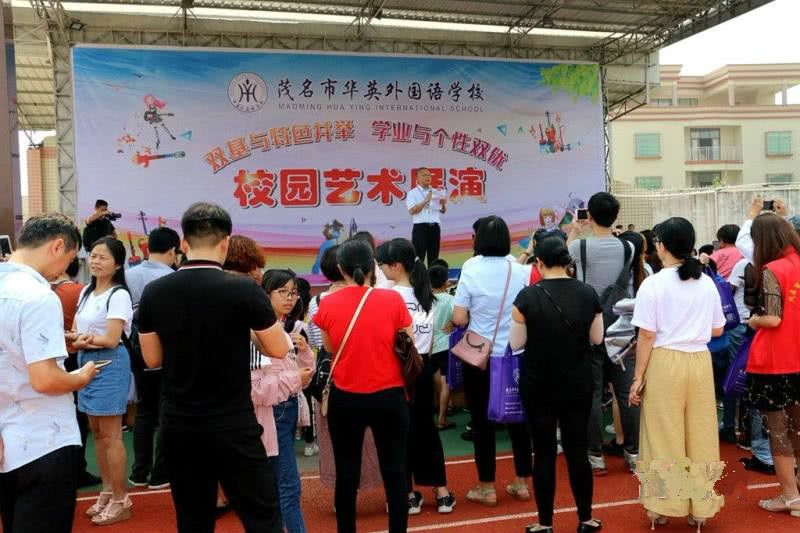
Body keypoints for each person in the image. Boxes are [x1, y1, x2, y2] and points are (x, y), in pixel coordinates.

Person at [137, 202, 290, 533]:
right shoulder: (244, 290)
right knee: (263, 517)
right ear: (225, 243)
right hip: (232, 423)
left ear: (184, 243)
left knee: (193, 520)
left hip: (179, 423)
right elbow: (279, 348)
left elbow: (152, 360)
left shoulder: (154, 292)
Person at [0, 213, 99, 533]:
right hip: (44, 439)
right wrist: (81, 376)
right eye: (68, 259)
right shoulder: (39, 295)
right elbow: (45, 379)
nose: (63, 270)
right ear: (57, 247)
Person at [628, 217, 726, 531]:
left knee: (662, 435)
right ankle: (700, 509)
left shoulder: (653, 284)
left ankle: (662, 507)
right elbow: (718, 328)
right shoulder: (706, 282)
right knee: (701, 435)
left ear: (661, 246)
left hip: (665, 363)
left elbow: (646, 335)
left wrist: (637, 378)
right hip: (699, 361)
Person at [312, 239, 414, 533]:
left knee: (347, 473)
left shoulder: (327, 303)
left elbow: (330, 348)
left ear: (340, 268)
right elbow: (407, 340)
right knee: (395, 472)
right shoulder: (392, 299)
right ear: (372, 267)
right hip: (390, 396)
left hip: (346, 397)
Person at [511, 236, 605, 533]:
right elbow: (597, 338)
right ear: (567, 261)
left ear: (539, 263)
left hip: (538, 383)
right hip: (578, 382)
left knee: (544, 451)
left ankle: (545, 522)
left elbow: (516, 343)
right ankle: (586, 519)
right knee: (578, 451)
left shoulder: (527, 297)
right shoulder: (588, 293)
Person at [452, 216, 533, 506]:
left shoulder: (471, 268)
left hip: (480, 358)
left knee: (481, 421)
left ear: (479, 240)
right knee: (519, 420)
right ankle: (522, 483)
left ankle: (487, 488)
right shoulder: (520, 269)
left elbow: (459, 317)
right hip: (515, 356)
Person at [377, 238, 456, 515]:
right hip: (422, 366)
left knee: (398, 432)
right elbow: (430, 340)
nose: (381, 269)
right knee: (425, 428)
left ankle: (408, 495)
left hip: (395, 369)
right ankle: (442, 493)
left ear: (396, 266)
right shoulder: (427, 295)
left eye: (383, 264)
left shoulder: (387, 296)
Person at [567, 192, 638, 475]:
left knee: (593, 394)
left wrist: (575, 229)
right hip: (622, 328)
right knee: (626, 393)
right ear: (616, 216)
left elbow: (560, 256)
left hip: (590, 326)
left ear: (591, 216)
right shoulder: (628, 248)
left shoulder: (579, 246)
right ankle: (633, 453)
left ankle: (595, 456)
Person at [68, 237, 134, 526]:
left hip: (110, 364)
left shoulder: (118, 295)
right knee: (96, 433)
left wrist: (83, 340)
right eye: (93, 256)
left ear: (117, 264)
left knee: (111, 435)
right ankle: (107, 492)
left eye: (103, 257)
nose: (95, 261)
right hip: (87, 362)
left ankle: (121, 499)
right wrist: (79, 340)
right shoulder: (85, 291)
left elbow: (111, 338)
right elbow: (73, 333)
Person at [308, 245, 384, 492]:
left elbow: (320, 343)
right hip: (372, 374)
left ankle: (342, 495)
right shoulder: (374, 296)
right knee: (376, 438)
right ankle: (383, 489)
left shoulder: (318, 301)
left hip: (332, 378)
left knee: (336, 440)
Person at [743, 213, 800, 515]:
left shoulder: (772, 270)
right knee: (798, 428)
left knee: (778, 431)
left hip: (776, 361)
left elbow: (773, 318)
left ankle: (790, 496)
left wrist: (753, 320)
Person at [252, 269, 314, 533]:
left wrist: (305, 353)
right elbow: (255, 390)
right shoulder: (257, 333)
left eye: (294, 293)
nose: (290, 298)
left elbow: (305, 379)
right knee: (287, 485)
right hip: (272, 413)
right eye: (283, 292)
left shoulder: (293, 328)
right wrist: (295, 378)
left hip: (287, 409)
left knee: (281, 484)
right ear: (266, 294)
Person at [126, 227, 181, 490]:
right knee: (166, 410)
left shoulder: (128, 275)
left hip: (137, 350)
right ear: (172, 251)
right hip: (168, 351)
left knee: (145, 411)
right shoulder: (174, 278)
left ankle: (139, 471)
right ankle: (160, 473)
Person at [52, 256, 102, 488]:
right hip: (74, 357)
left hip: (46, 360)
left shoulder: (41, 290)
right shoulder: (80, 291)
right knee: (77, 417)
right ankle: (76, 470)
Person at [429, 263, 456, 431]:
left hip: (430, 346)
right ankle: (442, 418)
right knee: (446, 383)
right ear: (446, 282)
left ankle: (441, 410)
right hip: (446, 345)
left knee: (437, 380)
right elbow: (460, 317)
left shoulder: (425, 300)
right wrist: (452, 322)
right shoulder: (450, 299)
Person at [407, 167, 447, 266]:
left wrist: (442, 204)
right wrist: (426, 200)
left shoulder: (436, 191)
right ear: (417, 178)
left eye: (429, 175)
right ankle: (419, 276)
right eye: (424, 175)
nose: (428, 177)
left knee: (434, 257)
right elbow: (412, 211)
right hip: (420, 228)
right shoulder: (412, 193)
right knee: (418, 256)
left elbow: (442, 211)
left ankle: (432, 276)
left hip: (435, 227)